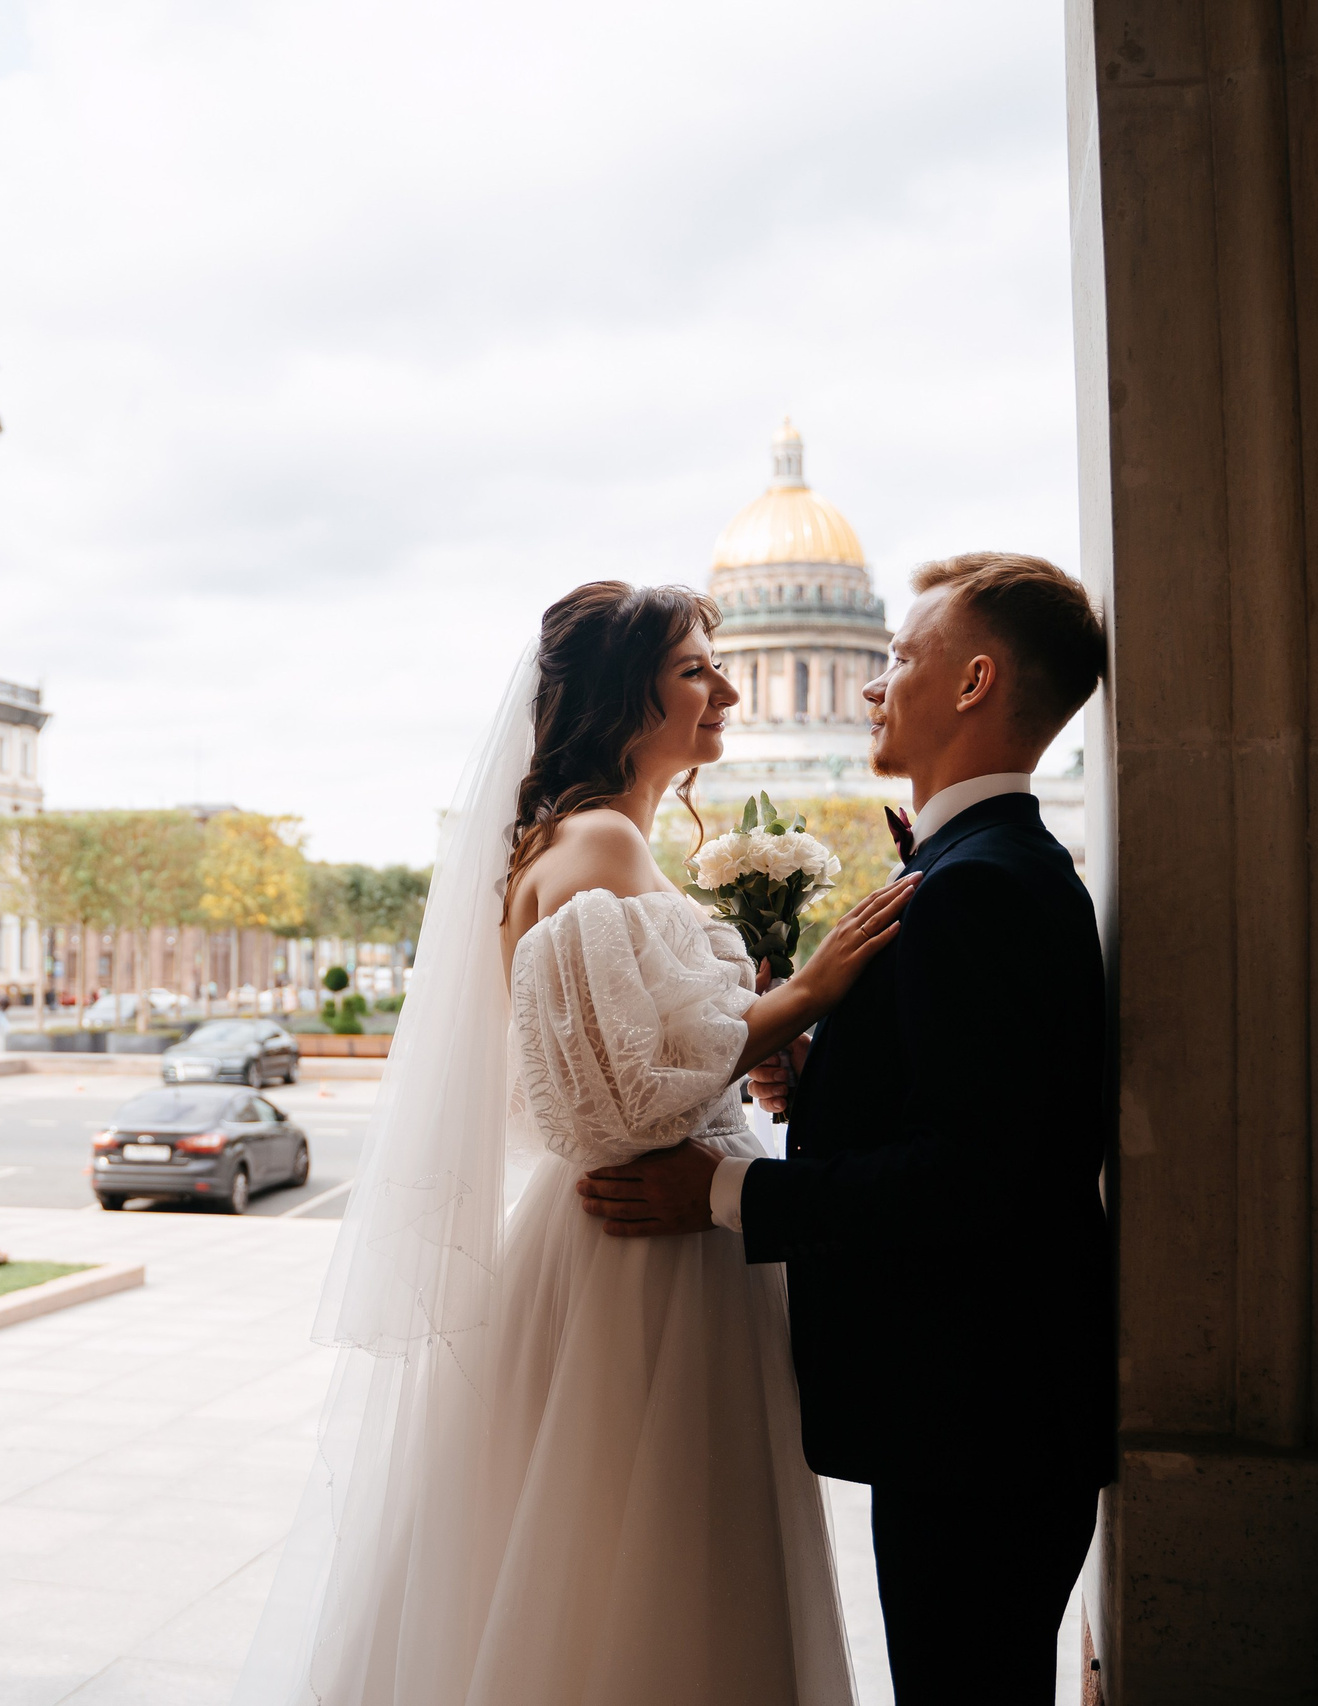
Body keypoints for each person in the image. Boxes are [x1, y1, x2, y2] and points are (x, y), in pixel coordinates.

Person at [236, 583, 916, 1706]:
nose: (729, 689)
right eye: (698, 668)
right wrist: (810, 988)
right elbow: (627, 1104)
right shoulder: (599, 840)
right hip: (649, 1247)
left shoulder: (590, 836)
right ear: (620, 695)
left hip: (627, 1233)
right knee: (662, 1563)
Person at [577, 552, 1114, 1702]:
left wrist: (716, 1194)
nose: (872, 688)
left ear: (973, 683)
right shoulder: (984, 866)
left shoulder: (978, 885)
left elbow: (973, 1180)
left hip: (976, 1423)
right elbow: (973, 1112)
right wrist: (820, 1085)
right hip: (985, 1417)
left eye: (898, 659)